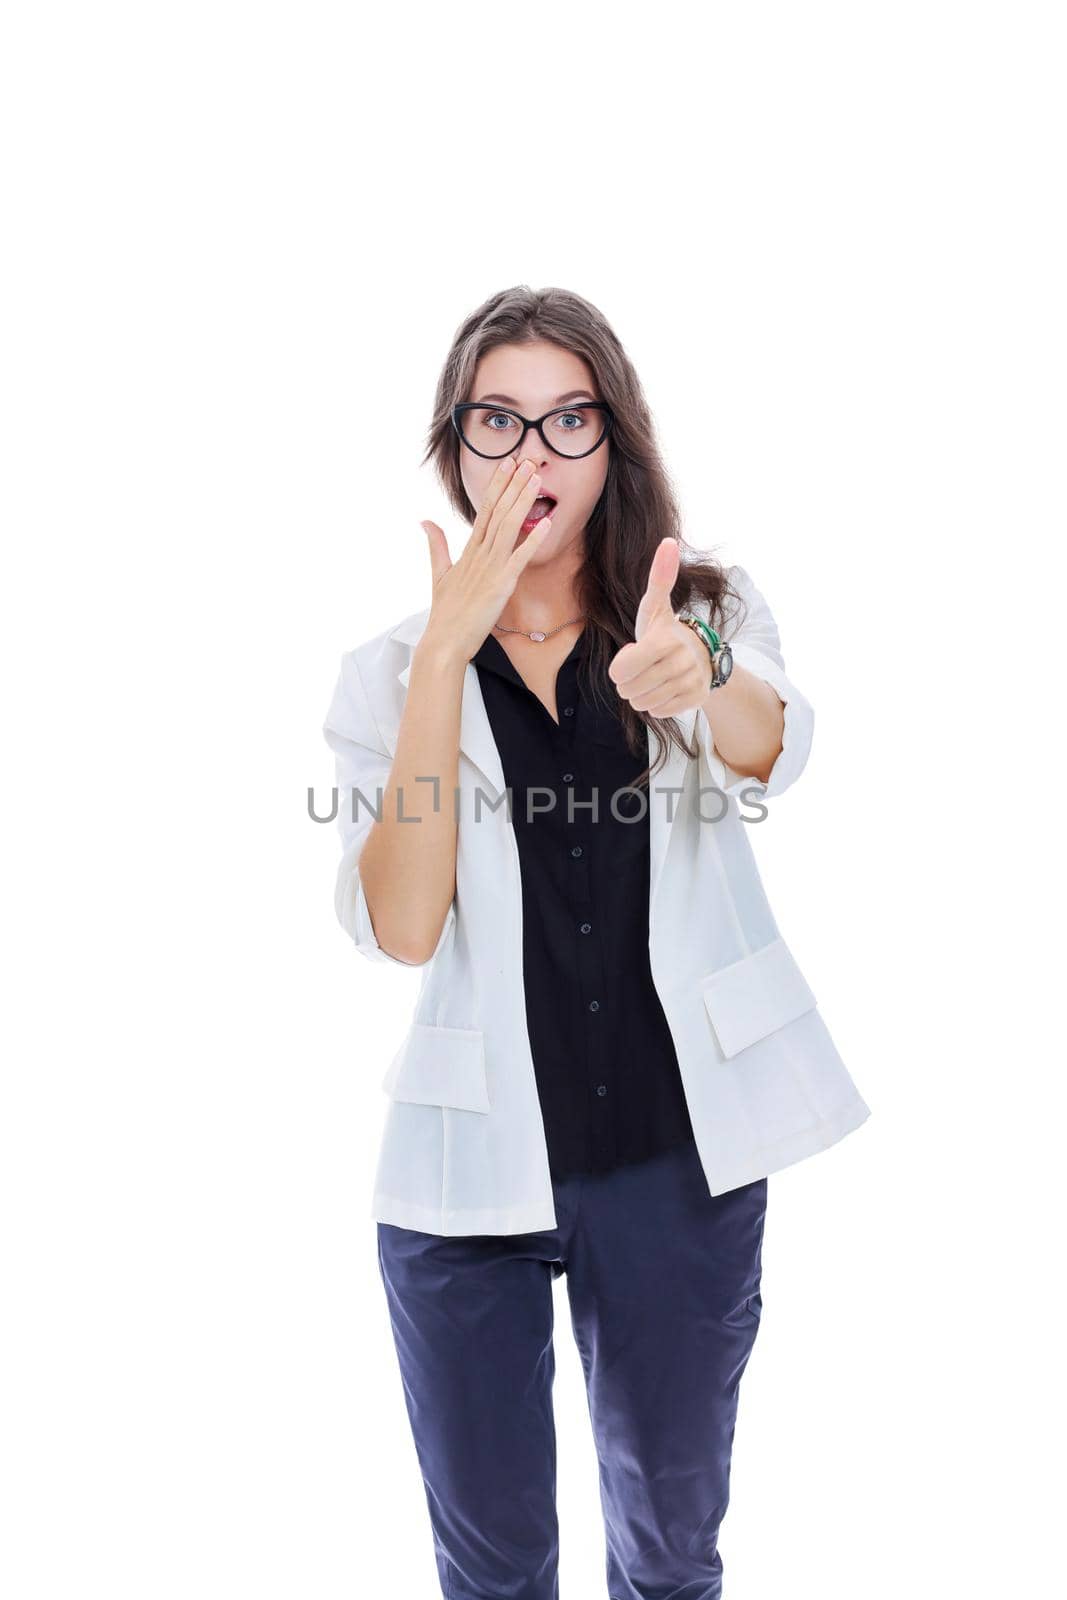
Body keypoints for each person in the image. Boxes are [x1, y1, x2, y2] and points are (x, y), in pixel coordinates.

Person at [322, 285, 871, 1600]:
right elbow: (401, 925)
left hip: (677, 1169)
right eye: (498, 422)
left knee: (671, 1555)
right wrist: (447, 663)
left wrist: (702, 673)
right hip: (465, 1194)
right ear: (454, 449)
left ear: (613, 438)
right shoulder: (389, 675)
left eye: (569, 419)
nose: (534, 455)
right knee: (494, 1571)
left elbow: (773, 746)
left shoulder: (701, 607)